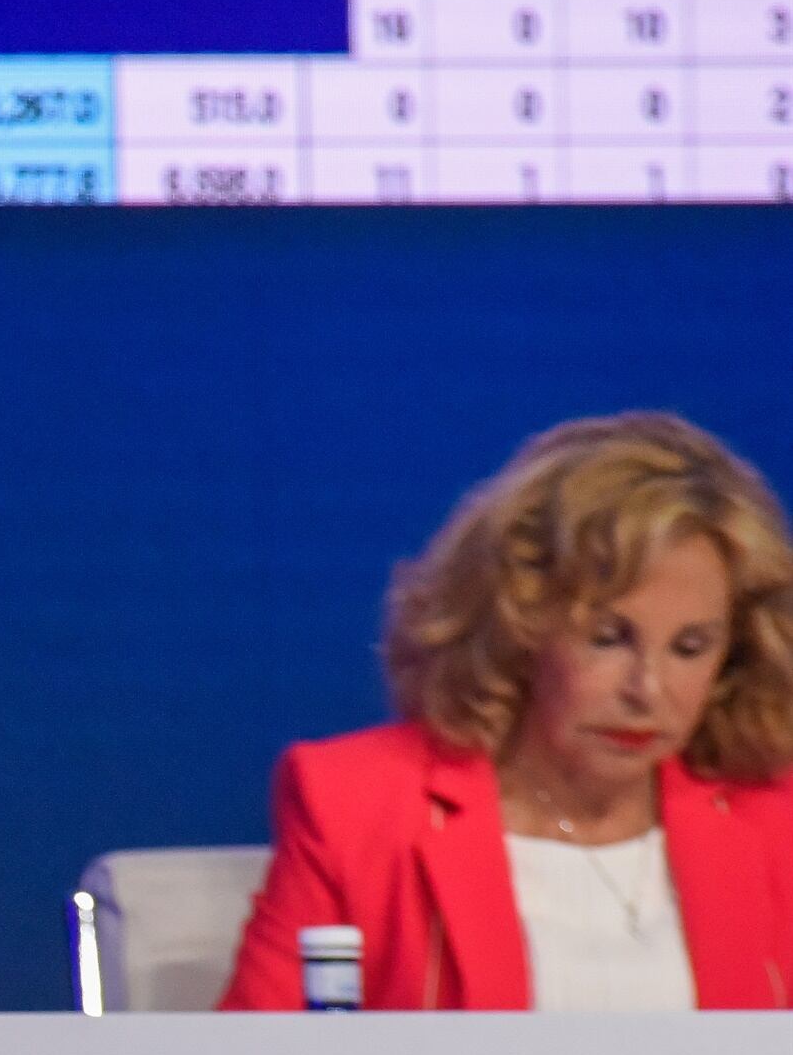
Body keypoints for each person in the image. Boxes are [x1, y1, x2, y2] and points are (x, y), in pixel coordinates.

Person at [223, 412, 793, 1012]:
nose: (647, 690)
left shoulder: (775, 824)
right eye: (608, 638)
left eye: (690, 648)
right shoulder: (358, 808)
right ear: (518, 623)